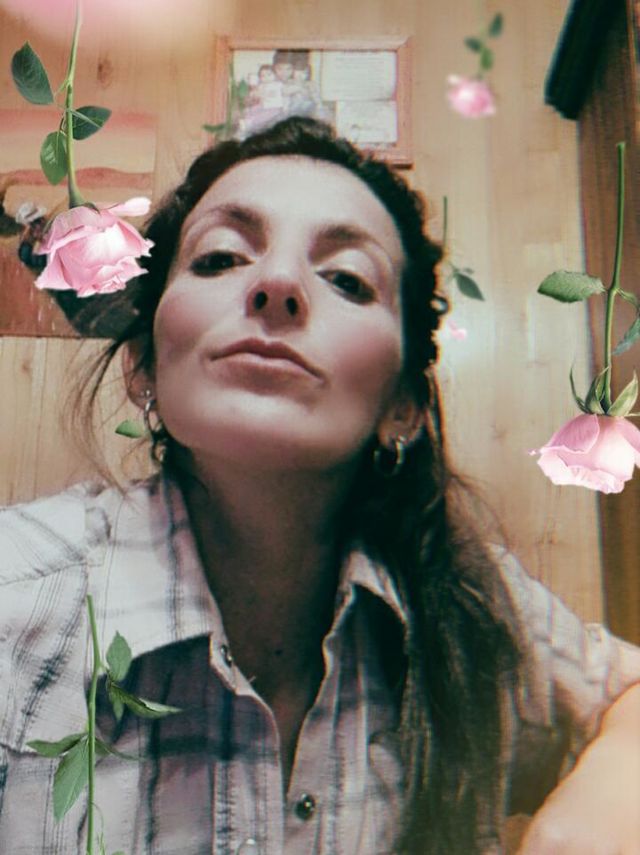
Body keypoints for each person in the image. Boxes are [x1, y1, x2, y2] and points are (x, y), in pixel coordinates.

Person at [0, 117, 638, 855]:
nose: (277, 285)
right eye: (220, 258)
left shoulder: (461, 594)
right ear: (143, 365)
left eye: (346, 279)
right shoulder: (17, 596)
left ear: (402, 406)